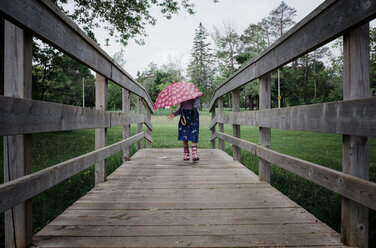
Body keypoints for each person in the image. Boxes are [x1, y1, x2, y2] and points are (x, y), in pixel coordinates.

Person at [168, 97, 200, 161]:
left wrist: (195, 101)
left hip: (193, 117)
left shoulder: (195, 97)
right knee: (184, 135)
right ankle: (186, 153)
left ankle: (194, 154)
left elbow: (196, 106)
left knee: (194, 134)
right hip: (184, 118)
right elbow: (181, 110)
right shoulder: (182, 99)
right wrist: (174, 114)